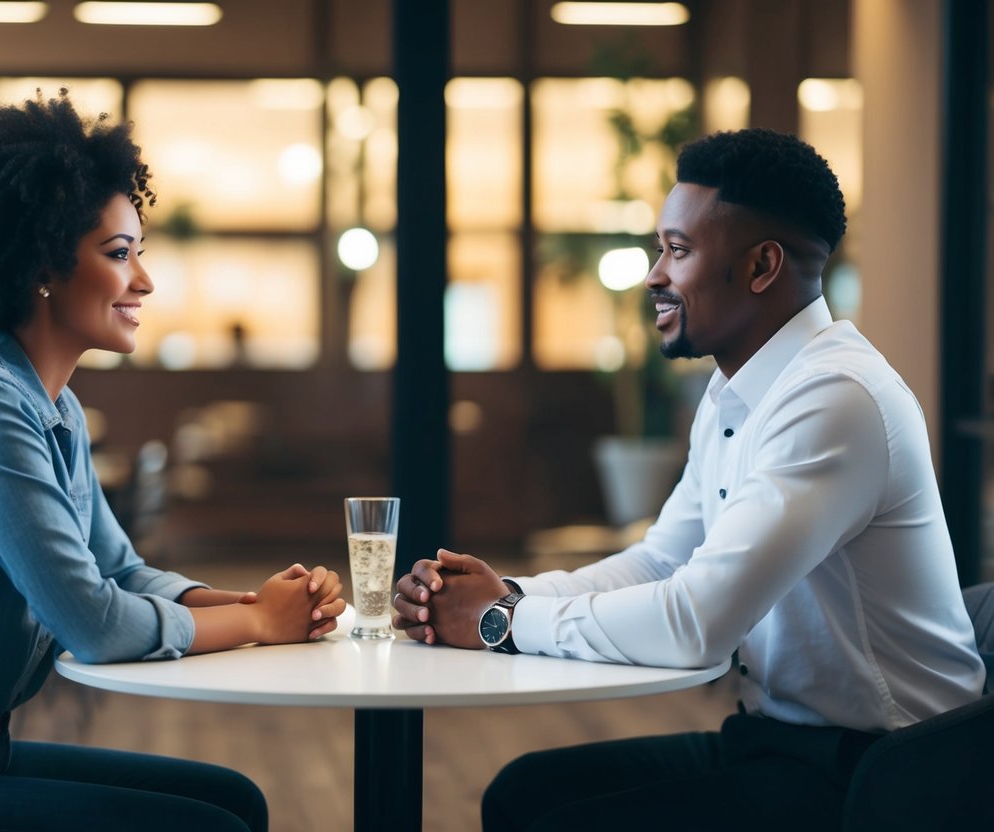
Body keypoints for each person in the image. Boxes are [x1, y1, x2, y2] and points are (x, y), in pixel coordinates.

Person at [392, 127, 986, 831]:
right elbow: (662, 561)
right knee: (524, 793)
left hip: (888, 774)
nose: (653, 275)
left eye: (676, 250)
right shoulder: (738, 390)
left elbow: (694, 625)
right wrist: (501, 594)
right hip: (778, 742)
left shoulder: (834, 398)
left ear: (762, 265)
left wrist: (498, 622)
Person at [0, 90, 346, 832]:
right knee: (213, 825)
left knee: (233, 801)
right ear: (41, 264)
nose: (144, 281)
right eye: (118, 254)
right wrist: (259, 622)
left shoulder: (50, 404)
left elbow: (121, 572)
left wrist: (253, 601)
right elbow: (94, 623)